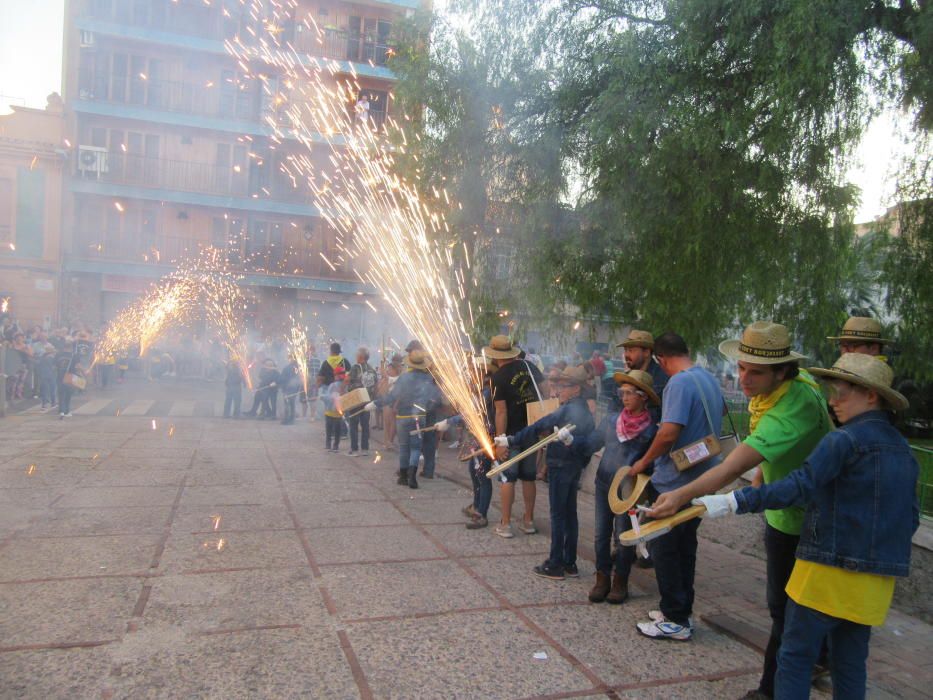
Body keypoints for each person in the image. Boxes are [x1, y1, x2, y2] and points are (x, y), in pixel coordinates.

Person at [692, 353, 919, 699]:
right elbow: (912, 517)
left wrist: (733, 501)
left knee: (796, 656)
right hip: (876, 581)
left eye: (841, 393)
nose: (832, 401)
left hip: (825, 569)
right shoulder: (904, 451)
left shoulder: (843, 441)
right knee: (850, 663)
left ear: (871, 396)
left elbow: (800, 484)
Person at [650, 322, 832, 695]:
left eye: (756, 371)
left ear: (782, 371)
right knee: (798, 608)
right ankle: (818, 658)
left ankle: (770, 690)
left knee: (783, 611)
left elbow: (731, 466)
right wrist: (765, 469)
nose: (743, 378)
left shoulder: (791, 410)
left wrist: (680, 496)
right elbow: (771, 448)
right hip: (788, 508)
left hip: (808, 519)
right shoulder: (794, 386)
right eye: (742, 367)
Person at [627, 332, 724, 641]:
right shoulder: (707, 378)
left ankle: (674, 620)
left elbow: (669, 433)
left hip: (674, 482)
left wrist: (644, 462)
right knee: (685, 547)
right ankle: (680, 608)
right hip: (700, 477)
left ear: (661, 358)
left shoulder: (678, 383)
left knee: (665, 548)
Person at [496, 366, 594, 579]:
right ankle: (570, 563)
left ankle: (555, 563)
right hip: (573, 466)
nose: (559, 390)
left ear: (576, 388)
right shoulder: (584, 409)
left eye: (564, 386)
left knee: (558, 515)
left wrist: (512, 439)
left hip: (561, 465)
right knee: (570, 515)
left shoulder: (568, 409)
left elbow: (542, 423)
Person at [581, 369, 660, 604]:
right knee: (600, 534)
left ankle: (620, 582)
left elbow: (653, 463)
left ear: (643, 397)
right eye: (622, 392)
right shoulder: (612, 421)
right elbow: (593, 443)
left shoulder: (651, 430)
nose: (624, 397)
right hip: (604, 482)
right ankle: (602, 579)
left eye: (629, 393)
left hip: (629, 490)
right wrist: (572, 442)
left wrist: (641, 470)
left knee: (624, 536)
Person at [486, 334, 547, 538]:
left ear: (496, 356)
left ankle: (505, 524)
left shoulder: (498, 378)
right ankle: (528, 521)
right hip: (532, 430)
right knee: (529, 477)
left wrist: (500, 441)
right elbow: (546, 392)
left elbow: (501, 412)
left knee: (507, 477)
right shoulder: (530, 367)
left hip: (511, 434)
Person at [365, 349, 441, 489]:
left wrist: (375, 404)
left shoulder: (404, 377)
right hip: (419, 417)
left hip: (403, 416)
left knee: (404, 447)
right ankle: (413, 476)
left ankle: (404, 476)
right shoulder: (428, 379)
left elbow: (392, 397)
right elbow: (435, 399)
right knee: (416, 447)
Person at [435, 358, 497, 529]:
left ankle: (481, 513)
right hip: (477, 436)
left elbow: (471, 411)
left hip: (486, 437)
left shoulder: (487, 392)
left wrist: (449, 421)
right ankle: (476, 506)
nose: (469, 374)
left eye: (472, 371)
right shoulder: (481, 390)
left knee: (482, 474)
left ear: (483, 373)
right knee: (474, 471)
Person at [617, 329, 668, 422]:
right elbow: (613, 409)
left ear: (646, 352)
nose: (626, 355)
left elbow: (664, 414)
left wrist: (635, 419)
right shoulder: (625, 378)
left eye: (631, 350)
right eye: (625, 350)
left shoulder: (663, 378)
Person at [347, 347, 377, 456]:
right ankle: (365, 449)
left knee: (353, 424)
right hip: (367, 400)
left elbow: (347, 380)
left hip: (356, 399)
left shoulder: (355, 367)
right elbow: (375, 385)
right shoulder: (371, 369)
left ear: (360, 357)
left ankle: (354, 449)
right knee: (365, 425)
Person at [324, 365, 348, 452]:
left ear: (336, 376)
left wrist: (326, 397)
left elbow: (327, 397)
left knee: (329, 430)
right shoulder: (345, 386)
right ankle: (336, 446)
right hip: (339, 413)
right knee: (338, 431)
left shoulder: (332, 385)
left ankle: (328, 445)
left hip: (330, 412)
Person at [279, 355, 301, 425]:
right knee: (292, 403)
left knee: (287, 403)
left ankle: (287, 419)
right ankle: (291, 419)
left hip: (287, 388)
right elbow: (299, 380)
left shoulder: (286, 368)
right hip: (294, 388)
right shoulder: (298, 368)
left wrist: (283, 387)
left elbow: (282, 379)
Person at [37, 343, 57, 410]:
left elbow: (39, 366)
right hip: (51, 375)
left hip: (43, 375)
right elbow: (54, 367)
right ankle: (53, 403)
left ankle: (44, 405)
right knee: (52, 389)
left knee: (45, 390)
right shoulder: (52, 358)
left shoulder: (42, 357)